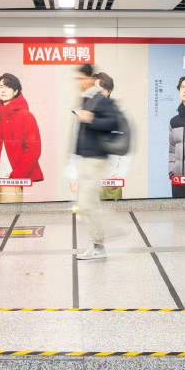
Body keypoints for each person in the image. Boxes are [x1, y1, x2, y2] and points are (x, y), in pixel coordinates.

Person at [72, 63, 125, 260]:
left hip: (96, 159)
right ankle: (99, 244)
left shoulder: (99, 99)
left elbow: (114, 122)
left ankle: (108, 235)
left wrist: (90, 119)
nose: (79, 82)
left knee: (86, 204)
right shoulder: (86, 99)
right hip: (86, 158)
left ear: (90, 79)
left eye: (81, 78)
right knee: (87, 203)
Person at [0, 72, 44, 195]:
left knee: (10, 207)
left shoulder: (26, 116)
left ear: (16, 91)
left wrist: (17, 176)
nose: (3, 90)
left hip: (12, 177)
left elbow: (33, 150)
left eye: (8, 87)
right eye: (0, 87)